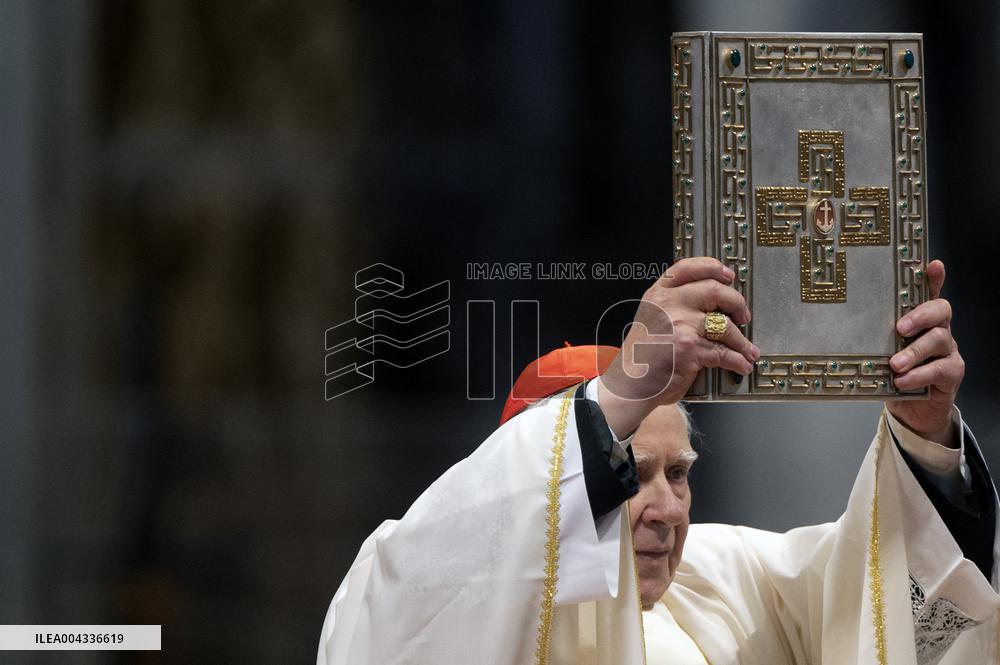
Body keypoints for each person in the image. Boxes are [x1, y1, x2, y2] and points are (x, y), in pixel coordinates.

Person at [316, 257, 999, 665]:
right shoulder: (431, 579)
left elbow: (877, 599)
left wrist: (923, 432)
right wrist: (624, 387)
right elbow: (408, 606)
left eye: (678, 472)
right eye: (630, 473)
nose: (668, 512)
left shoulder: (715, 581)